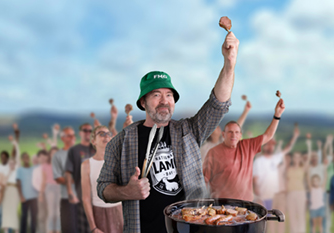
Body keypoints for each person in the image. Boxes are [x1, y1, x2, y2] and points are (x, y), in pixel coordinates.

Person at [98, 30, 239, 233]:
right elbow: (103, 188)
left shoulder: (189, 131)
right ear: (143, 102)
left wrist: (229, 63)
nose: (164, 101)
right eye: (156, 94)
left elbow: (218, 104)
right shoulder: (120, 142)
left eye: (169, 94)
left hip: (190, 228)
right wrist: (126, 192)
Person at [203, 99, 285, 201]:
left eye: (237, 132)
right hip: (221, 206)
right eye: (230, 132)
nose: (233, 135)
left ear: (240, 135)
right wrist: (205, 203)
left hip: (246, 205)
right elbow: (204, 180)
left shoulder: (248, 145)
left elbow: (268, 135)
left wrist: (277, 114)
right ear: (223, 134)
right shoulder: (213, 152)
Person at [81, 126, 123, 233]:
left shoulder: (119, 161)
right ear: (93, 141)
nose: (106, 136)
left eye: (108, 134)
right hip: (99, 213)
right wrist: (93, 227)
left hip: (121, 211)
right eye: (101, 133)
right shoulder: (86, 165)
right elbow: (86, 198)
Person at [252, 126, 299, 210]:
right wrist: (258, 197)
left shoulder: (275, 158)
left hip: (275, 197)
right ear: (264, 147)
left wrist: (295, 137)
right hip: (263, 197)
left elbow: (286, 149)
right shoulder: (259, 161)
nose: (271, 147)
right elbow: (255, 179)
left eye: (272, 145)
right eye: (269, 145)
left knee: (273, 221)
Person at [65, 123, 96, 233]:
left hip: (99, 194)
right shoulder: (74, 150)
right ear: (80, 133)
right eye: (85, 130)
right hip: (82, 193)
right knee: (84, 226)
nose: (88, 132)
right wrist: (70, 192)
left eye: (90, 130)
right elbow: (68, 172)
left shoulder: (97, 148)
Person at [52, 126, 78, 233]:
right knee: (69, 228)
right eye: (69, 135)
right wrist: (74, 180)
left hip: (84, 197)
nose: (72, 137)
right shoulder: (58, 155)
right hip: (67, 198)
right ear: (62, 138)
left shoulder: (81, 152)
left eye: (73, 135)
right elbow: (58, 178)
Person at [285, 147, 310, 233]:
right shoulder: (289, 168)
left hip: (300, 193)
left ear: (300, 158)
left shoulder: (303, 168)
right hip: (290, 194)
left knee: (301, 214)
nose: (296, 158)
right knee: (292, 215)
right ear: (293, 158)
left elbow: (308, 159)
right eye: (295, 156)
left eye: (298, 157)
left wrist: (308, 145)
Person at [1, 137, 20, 233]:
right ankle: (6, 231)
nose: (11, 164)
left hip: (15, 191)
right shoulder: (5, 170)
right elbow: (4, 182)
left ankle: (16, 231)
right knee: (6, 212)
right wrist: (9, 171)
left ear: (15, 163)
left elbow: (18, 155)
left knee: (13, 211)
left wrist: (15, 144)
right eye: (10, 162)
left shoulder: (18, 169)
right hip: (6, 190)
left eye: (13, 162)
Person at [39, 148, 61, 233]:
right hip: (50, 188)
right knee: (51, 212)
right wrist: (41, 193)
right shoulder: (45, 166)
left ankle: (58, 230)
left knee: (58, 213)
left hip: (59, 188)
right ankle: (50, 230)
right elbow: (43, 181)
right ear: (50, 155)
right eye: (52, 153)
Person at [16, 152, 39, 233]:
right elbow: (18, 184)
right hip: (24, 198)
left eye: (27, 157)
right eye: (24, 157)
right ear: (22, 159)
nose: (26, 159)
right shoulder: (20, 170)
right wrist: (21, 196)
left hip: (34, 197)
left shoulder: (34, 168)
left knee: (34, 217)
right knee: (24, 217)